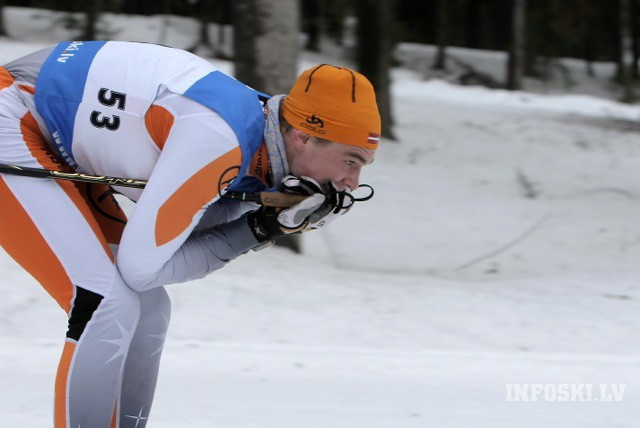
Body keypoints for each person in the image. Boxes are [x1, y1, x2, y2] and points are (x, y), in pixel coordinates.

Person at [0, 40, 380, 427]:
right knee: (104, 303)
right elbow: (141, 267)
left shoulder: (262, 136)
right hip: (12, 115)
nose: (351, 182)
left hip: (49, 133)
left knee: (148, 309)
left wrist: (264, 214)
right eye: (351, 161)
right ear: (302, 136)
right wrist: (261, 227)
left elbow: (184, 232)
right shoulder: (220, 138)